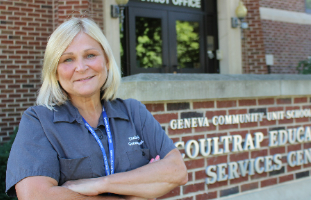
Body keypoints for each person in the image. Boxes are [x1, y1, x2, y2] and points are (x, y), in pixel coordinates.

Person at [6, 17, 188, 199]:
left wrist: (100, 184)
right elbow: (36, 196)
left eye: (90, 55)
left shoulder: (134, 112)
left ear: (107, 61)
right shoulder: (39, 121)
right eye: (68, 59)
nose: (81, 67)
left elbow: (177, 170)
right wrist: (136, 191)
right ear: (55, 71)